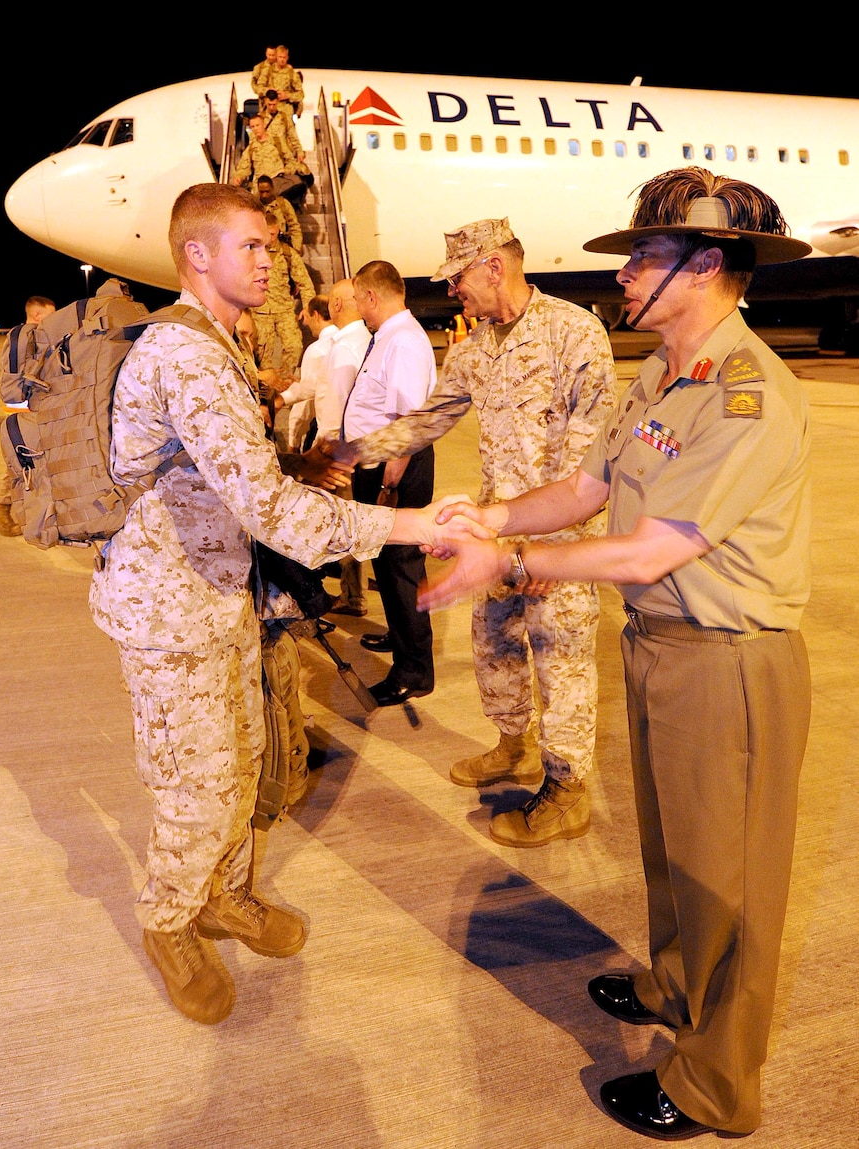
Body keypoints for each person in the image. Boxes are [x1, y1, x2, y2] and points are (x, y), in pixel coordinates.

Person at [419, 168, 813, 1139]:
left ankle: (714, 1084)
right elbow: (591, 485)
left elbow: (650, 547)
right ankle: (673, 984)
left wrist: (506, 561)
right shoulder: (663, 369)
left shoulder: (747, 393)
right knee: (675, 856)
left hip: (729, 663)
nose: (626, 269)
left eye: (643, 253)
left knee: (729, 879)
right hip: (661, 648)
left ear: (706, 264)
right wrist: (495, 515)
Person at [87, 182, 476, 1027]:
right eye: (252, 246)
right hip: (170, 611)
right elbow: (275, 516)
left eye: (270, 245)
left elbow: (229, 477)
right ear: (197, 254)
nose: (270, 259)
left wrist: (289, 470)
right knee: (194, 783)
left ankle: (226, 894)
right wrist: (409, 520)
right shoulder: (185, 353)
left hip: (222, 597)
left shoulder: (219, 342)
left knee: (242, 763)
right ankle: (170, 920)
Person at [330, 219, 617, 842]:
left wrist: (547, 553)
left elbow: (590, 459)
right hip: (492, 535)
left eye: (457, 276)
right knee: (496, 642)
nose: (453, 290)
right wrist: (346, 457)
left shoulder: (575, 332)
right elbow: (428, 419)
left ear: (494, 266)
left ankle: (568, 789)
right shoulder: (475, 348)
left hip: (555, 539)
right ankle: (513, 744)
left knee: (562, 661)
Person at [345, 260, 438, 706]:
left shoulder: (402, 342)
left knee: (400, 568)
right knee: (388, 566)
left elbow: (411, 421)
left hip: (394, 468)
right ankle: (402, 640)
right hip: (380, 464)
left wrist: (389, 483)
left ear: (371, 296)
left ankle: (414, 671)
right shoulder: (390, 337)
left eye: (360, 299)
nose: (359, 309)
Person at [316, 277, 373, 617]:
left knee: (344, 524)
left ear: (336, 305)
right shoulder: (367, 339)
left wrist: (325, 454)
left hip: (340, 451)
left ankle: (352, 597)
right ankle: (357, 592)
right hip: (362, 448)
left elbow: (335, 407)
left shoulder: (343, 348)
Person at [0, 294, 56, 536]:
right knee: (19, 466)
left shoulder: (18, 338)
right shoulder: (30, 340)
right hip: (27, 413)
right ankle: (4, 507)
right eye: (50, 315)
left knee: (25, 464)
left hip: (22, 412)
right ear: (37, 315)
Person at [251, 212, 314, 379]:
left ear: (278, 230)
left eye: (273, 234)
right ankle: (267, 388)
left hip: (284, 309)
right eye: (267, 234)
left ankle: (285, 382)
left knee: (294, 346)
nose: (270, 238)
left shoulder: (288, 254)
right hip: (259, 311)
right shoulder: (252, 254)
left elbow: (305, 284)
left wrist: (307, 307)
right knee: (262, 353)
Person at [278, 295, 335, 453]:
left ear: (316, 315)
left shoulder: (316, 350)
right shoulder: (353, 342)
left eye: (308, 317)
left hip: (323, 430)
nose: (307, 323)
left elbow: (305, 404)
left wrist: (293, 442)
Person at [256, 175, 303, 254]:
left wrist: (297, 248)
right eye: (262, 192)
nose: (264, 195)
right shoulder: (253, 205)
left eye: (267, 191)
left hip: (281, 248)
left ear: (272, 189)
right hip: (260, 248)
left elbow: (294, 227)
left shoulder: (283, 204)